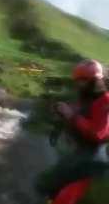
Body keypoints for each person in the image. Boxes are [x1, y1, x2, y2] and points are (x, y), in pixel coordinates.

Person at [37, 60, 109, 204]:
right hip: (80, 154)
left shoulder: (105, 101)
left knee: (56, 191)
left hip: (90, 159)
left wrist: (71, 115)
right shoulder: (90, 97)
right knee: (57, 191)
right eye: (78, 81)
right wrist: (63, 110)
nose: (78, 84)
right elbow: (82, 112)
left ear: (95, 80)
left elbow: (99, 134)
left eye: (82, 81)